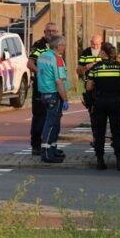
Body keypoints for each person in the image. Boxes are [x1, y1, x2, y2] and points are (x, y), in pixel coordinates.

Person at [86, 42, 120, 171]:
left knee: (100, 132)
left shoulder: (96, 68)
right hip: (115, 101)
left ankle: (100, 161)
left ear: (103, 53)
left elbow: (88, 86)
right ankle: (119, 161)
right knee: (116, 132)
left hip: (100, 102)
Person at [37, 34, 70, 163]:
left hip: (44, 93)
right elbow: (59, 81)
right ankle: (46, 152)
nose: (65, 47)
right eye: (64, 45)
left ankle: (52, 148)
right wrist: (65, 99)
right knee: (51, 124)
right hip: (54, 94)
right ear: (58, 46)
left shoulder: (42, 56)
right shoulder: (57, 59)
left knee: (54, 123)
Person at [27, 22, 58, 155]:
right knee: (39, 116)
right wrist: (42, 74)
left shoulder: (57, 46)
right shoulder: (38, 46)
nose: (51, 33)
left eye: (54, 31)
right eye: (49, 31)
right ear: (44, 32)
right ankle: (36, 145)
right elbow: (30, 64)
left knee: (51, 116)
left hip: (53, 87)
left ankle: (49, 145)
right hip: (40, 87)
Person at [77, 34, 103, 135]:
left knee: (103, 111)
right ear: (90, 42)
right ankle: (95, 135)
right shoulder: (86, 52)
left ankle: (102, 134)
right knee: (92, 111)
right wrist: (86, 67)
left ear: (101, 43)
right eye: (93, 44)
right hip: (89, 86)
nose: (95, 47)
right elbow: (78, 70)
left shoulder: (104, 52)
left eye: (97, 44)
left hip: (103, 86)